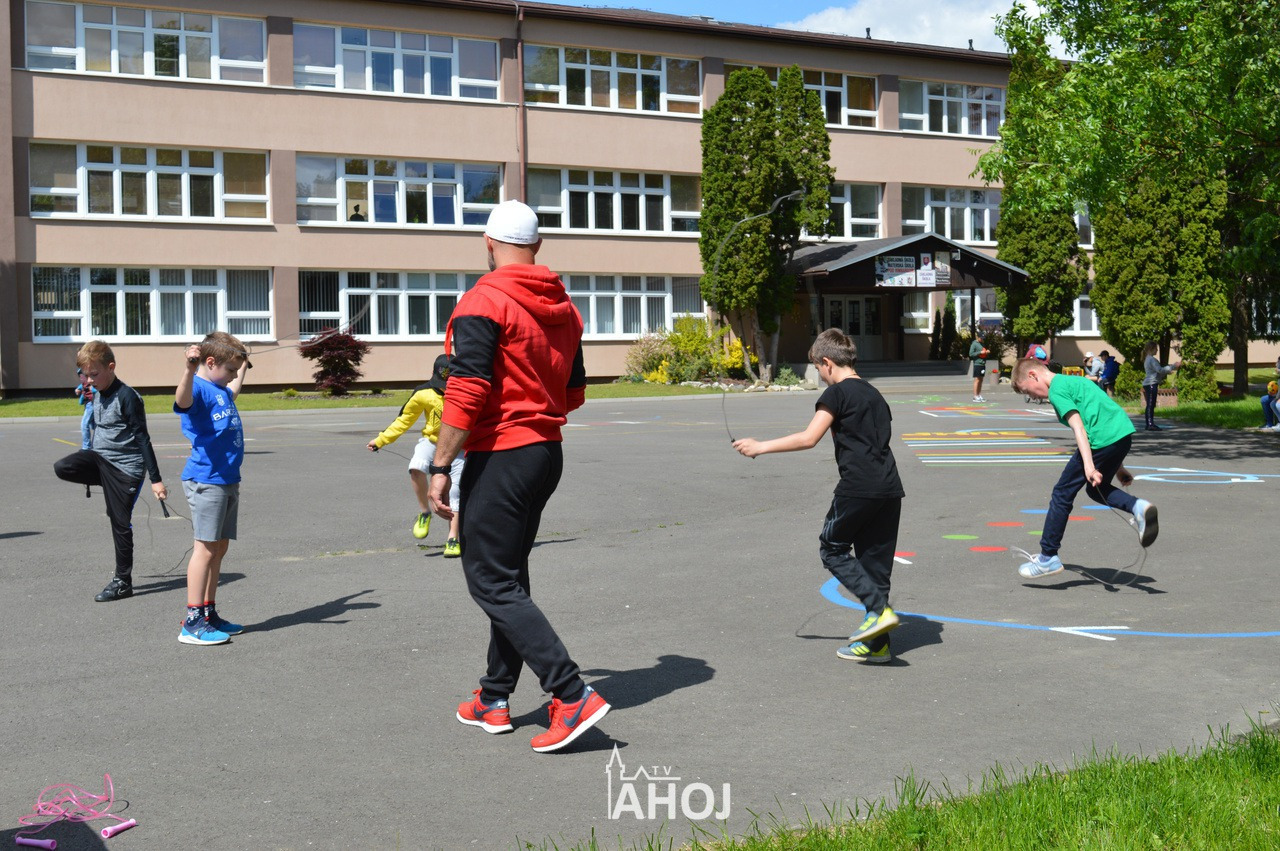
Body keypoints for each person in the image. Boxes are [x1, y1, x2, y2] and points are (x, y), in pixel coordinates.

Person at [428, 200, 607, 753]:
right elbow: (574, 391)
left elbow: (468, 389)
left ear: (488, 242)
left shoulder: (482, 300)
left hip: (502, 453)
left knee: (490, 580)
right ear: (538, 245)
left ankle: (571, 694)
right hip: (545, 452)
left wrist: (440, 465)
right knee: (509, 575)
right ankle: (493, 696)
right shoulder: (565, 306)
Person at [733, 328, 905, 664]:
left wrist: (760, 447)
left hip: (858, 487)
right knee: (875, 566)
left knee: (832, 548)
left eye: (817, 368)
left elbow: (809, 437)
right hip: (889, 488)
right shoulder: (874, 394)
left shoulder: (837, 393)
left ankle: (879, 610)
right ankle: (878, 646)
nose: (820, 375)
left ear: (828, 363)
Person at [1010, 358, 1159, 579]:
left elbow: (1079, 427)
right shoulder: (1077, 382)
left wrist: (1089, 466)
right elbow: (1102, 415)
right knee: (1096, 489)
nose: (1032, 397)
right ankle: (1139, 507)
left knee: (1062, 493)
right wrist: (1119, 467)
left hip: (1100, 441)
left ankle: (1048, 557)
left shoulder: (1056, 390)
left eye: (1027, 391)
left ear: (1033, 375)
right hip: (1122, 436)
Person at [53, 341, 167, 602]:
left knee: (119, 522)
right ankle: (107, 483)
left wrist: (156, 480)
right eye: (85, 375)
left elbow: (143, 439)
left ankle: (123, 582)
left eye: (94, 374)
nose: (89, 380)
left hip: (125, 469)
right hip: (100, 460)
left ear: (111, 367)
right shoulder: (97, 392)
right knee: (63, 467)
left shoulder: (128, 397)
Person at [174, 332, 250, 645]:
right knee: (205, 549)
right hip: (207, 479)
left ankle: (208, 612)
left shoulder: (221, 390)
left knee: (219, 548)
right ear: (209, 362)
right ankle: (192, 622)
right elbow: (182, 400)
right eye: (230, 369)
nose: (233, 375)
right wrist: (188, 369)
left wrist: (243, 362)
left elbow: (234, 386)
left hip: (228, 478)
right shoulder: (198, 387)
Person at [366, 354, 464, 556]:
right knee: (416, 466)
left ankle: (453, 538)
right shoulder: (423, 393)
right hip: (432, 442)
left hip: (458, 446)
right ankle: (425, 512)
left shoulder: (466, 393)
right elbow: (404, 420)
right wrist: (381, 440)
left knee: (455, 491)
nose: (445, 389)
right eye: (442, 384)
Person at [1141, 342, 1180, 431]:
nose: (1157, 350)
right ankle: (1150, 424)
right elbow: (1160, 370)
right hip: (1151, 384)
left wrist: (1167, 371)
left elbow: (1156, 372)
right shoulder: (1151, 359)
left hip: (1149, 383)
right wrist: (1173, 366)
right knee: (1151, 404)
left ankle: (1148, 423)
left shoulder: (1147, 359)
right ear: (1151, 349)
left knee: (1150, 404)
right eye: (1156, 348)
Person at [75, 366, 95, 449]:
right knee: (94, 425)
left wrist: (92, 389)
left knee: (84, 423)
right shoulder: (83, 379)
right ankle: (96, 444)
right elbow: (83, 385)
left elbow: (98, 387)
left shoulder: (92, 379)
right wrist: (78, 389)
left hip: (92, 403)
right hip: (87, 403)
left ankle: (86, 447)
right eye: (80, 377)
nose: (81, 378)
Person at [969, 336, 990, 402]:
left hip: (982, 363)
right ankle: (975, 396)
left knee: (981, 380)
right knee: (977, 380)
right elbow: (971, 354)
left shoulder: (982, 344)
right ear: (977, 337)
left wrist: (986, 352)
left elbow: (983, 353)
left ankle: (978, 395)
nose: (982, 339)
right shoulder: (974, 344)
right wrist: (980, 352)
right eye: (981, 338)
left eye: (983, 338)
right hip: (977, 364)